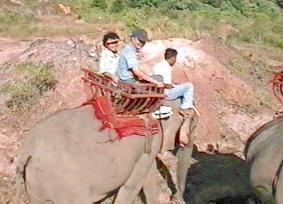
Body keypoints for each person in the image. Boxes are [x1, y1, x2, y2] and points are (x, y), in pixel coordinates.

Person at [152, 48, 195, 116]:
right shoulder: (167, 68)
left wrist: (175, 86)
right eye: (175, 59)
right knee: (189, 86)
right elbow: (167, 85)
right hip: (166, 93)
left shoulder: (156, 65)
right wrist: (174, 87)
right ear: (173, 58)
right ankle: (185, 107)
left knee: (178, 86)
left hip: (157, 91)